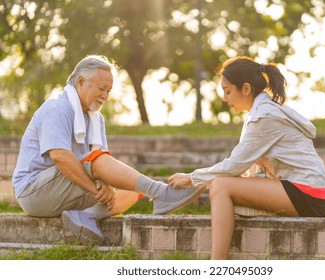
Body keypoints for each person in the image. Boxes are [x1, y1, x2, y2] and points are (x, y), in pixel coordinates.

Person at [12, 55, 205, 245]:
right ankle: (161, 193)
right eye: (102, 88)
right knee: (101, 163)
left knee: (131, 188)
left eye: (109, 91)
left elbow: (103, 163)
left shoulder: (96, 119)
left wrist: (106, 186)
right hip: (33, 193)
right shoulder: (56, 109)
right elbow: (60, 156)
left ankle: (85, 217)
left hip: (66, 189)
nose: (105, 96)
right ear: (80, 82)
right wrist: (94, 188)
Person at [168, 56, 325, 260]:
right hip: (306, 192)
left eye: (228, 91)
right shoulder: (262, 112)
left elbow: (235, 165)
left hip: (307, 193)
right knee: (223, 187)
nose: (225, 99)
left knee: (221, 186)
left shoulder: (263, 116)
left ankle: (216, 266)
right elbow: (245, 169)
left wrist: (192, 178)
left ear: (246, 89)